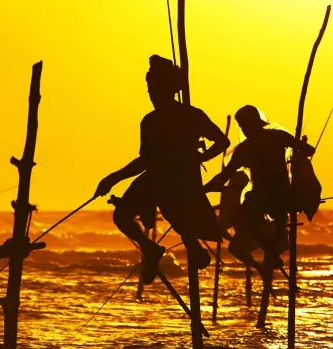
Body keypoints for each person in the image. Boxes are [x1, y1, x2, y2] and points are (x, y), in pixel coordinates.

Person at [95, 55, 230, 285]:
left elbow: (222, 142)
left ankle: (193, 247)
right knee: (121, 216)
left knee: (181, 218)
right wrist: (113, 178)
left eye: (155, 89)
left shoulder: (191, 115)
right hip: (156, 178)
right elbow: (145, 160)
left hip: (183, 180)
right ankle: (150, 248)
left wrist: (200, 157)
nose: (151, 94)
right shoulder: (149, 121)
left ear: (169, 89)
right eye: (149, 90)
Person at [204, 105, 315, 282]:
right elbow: (224, 176)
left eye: (246, 125)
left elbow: (309, 150)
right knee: (246, 217)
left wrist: (296, 153)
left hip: (276, 196)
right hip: (268, 197)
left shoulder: (273, 138)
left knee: (252, 215)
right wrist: (204, 189)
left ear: (256, 122)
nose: (244, 130)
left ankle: (271, 247)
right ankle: (270, 248)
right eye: (242, 127)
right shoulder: (251, 147)